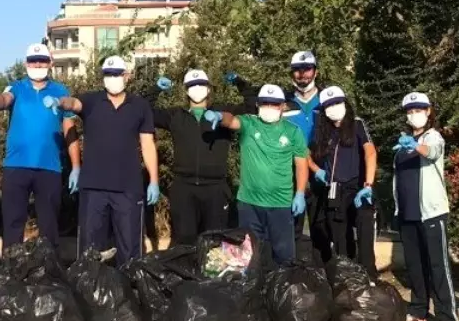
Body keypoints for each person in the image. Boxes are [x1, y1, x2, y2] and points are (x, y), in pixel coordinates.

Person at [46, 56, 158, 265]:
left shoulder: (140, 105)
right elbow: (74, 103)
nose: (113, 78)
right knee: (89, 247)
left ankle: (131, 290)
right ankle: (87, 292)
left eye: (117, 74)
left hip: (128, 188)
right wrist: (60, 102)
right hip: (93, 187)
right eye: (108, 74)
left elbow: (148, 144)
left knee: (130, 248)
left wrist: (153, 180)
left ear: (126, 76)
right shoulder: (91, 101)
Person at [0, 43, 79, 248]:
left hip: (49, 168)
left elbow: (69, 129)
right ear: (26, 63)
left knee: (49, 227)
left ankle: (49, 273)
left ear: (50, 63)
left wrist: (76, 166)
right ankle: (10, 272)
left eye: (42, 60)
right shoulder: (18, 87)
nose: (37, 64)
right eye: (33, 60)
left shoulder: (60, 90)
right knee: (13, 224)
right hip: (16, 166)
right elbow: (5, 99)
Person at [206, 84, 309, 265]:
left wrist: (300, 193)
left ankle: (281, 291)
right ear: (258, 105)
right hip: (249, 204)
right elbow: (232, 121)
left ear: (283, 106)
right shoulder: (249, 124)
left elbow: (301, 164)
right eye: (264, 103)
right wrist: (220, 116)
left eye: (274, 104)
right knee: (249, 256)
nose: (269, 107)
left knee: (284, 257)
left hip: (280, 204)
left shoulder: (293, 132)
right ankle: (253, 292)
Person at [153, 69, 252, 245]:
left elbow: (252, 106)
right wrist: (155, 90)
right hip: (184, 188)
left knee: (214, 242)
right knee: (184, 241)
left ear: (208, 89)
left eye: (201, 85)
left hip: (215, 189)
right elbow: (145, 112)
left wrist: (240, 83)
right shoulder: (175, 115)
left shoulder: (223, 112)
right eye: (192, 85)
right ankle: (184, 273)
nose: (197, 88)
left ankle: (210, 273)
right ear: (186, 90)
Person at [392, 91, 458, 321]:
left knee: (437, 264)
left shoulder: (434, 137)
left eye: (419, 110)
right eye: (410, 111)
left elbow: (433, 152)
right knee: (415, 265)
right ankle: (419, 308)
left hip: (431, 212)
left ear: (428, 112)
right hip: (408, 212)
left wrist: (417, 146)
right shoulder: (403, 141)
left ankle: (446, 315)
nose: (414, 115)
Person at [306, 86, 377, 277]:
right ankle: (345, 278)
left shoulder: (357, 124)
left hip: (358, 187)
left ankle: (369, 277)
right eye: (328, 105)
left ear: (345, 103)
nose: (333, 108)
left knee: (364, 231)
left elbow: (370, 152)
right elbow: (304, 154)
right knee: (339, 237)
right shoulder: (321, 130)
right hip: (334, 189)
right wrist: (317, 170)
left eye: (337, 103)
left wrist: (368, 184)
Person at [285, 51, 323, 246]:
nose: (302, 74)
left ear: (315, 72)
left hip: (321, 174)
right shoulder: (283, 103)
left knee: (322, 231)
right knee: (291, 233)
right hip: (290, 175)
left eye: (307, 69)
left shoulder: (327, 101)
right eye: (297, 70)